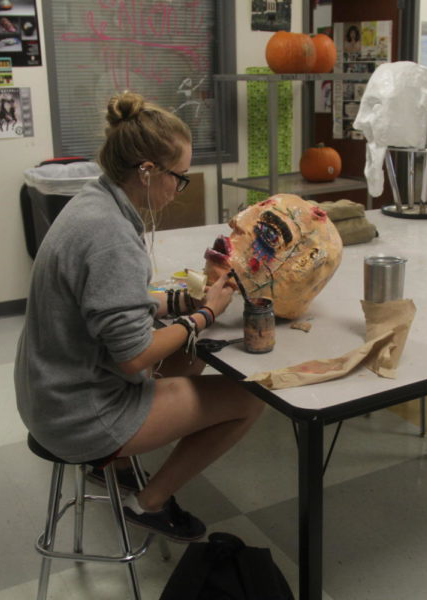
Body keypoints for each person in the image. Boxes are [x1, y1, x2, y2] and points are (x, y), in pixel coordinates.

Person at [14, 91, 264, 542]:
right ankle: (148, 504)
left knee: (191, 357)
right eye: (179, 178)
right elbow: (133, 357)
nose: (179, 188)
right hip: (76, 415)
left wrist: (181, 305)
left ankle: (122, 464)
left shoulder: (94, 200)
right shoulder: (111, 236)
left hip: (48, 393)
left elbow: (109, 305)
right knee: (249, 399)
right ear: (147, 171)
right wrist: (206, 314)